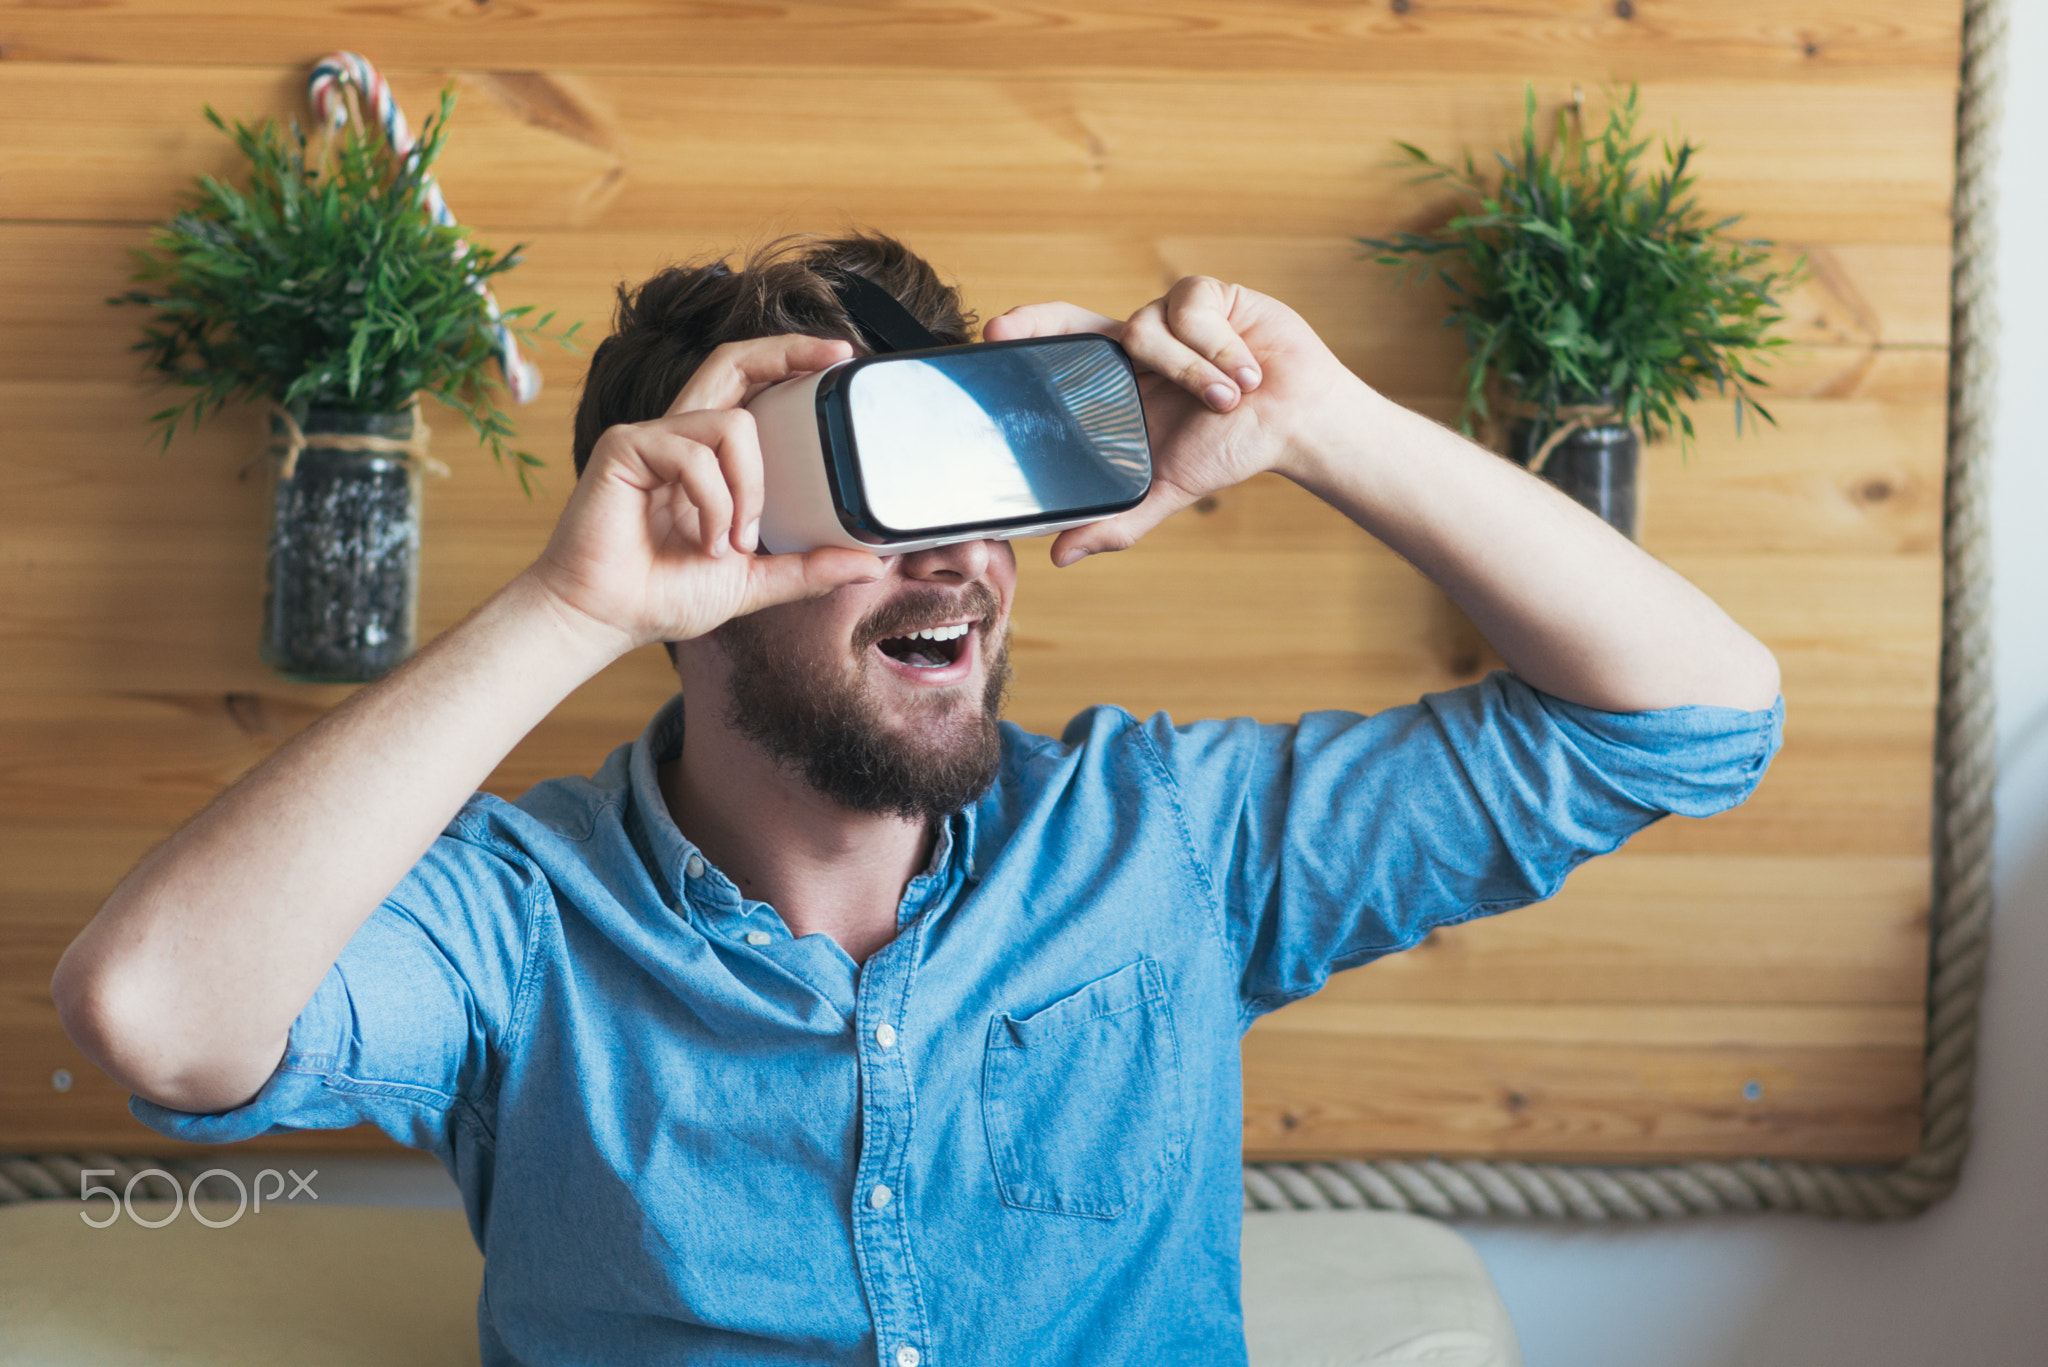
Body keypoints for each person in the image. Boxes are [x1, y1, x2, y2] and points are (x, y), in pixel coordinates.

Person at [53, 233, 1782, 1365]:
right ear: (700, 551)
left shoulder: (1168, 840)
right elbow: (158, 1014)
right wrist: (567, 608)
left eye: (976, 474)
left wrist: (1318, 424)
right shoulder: (522, 922)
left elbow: (1697, 718)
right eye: (869, 490)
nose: (962, 550)